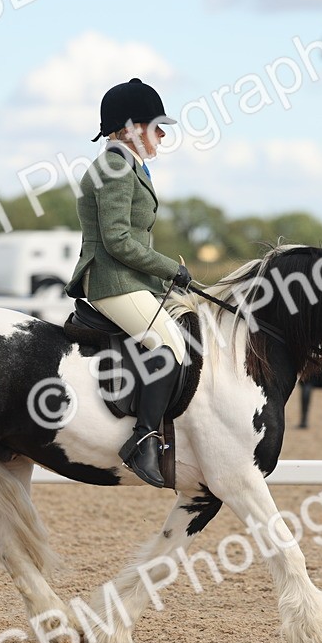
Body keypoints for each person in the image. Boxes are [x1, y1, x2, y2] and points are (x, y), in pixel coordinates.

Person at [65, 78, 192, 487]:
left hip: (130, 279)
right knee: (169, 346)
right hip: (111, 279)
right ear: (129, 129)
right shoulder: (115, 168)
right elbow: (118, 240)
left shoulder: (129, 166)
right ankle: (143, 440)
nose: (161, 134)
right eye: (156, 126)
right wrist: (170, 269)